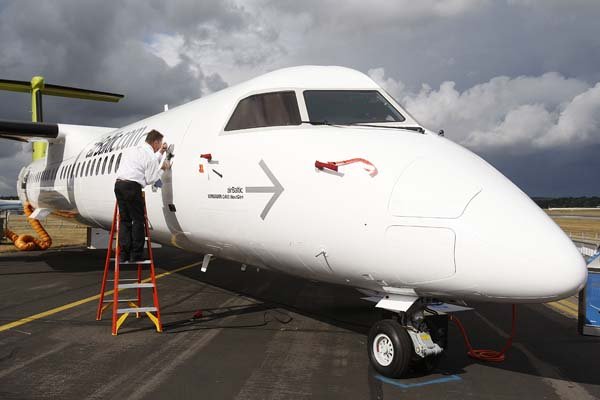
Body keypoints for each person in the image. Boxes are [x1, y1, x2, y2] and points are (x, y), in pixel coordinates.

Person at [114, 130, 170, 262]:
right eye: (160, 144)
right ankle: (136, 254)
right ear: (155, 142)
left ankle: (123, 255)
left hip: (119, 185)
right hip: (132, 188)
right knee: (138, 221)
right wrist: (163, 168)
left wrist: (161, 152)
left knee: (125, 220)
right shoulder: (149, 156)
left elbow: (148, 161)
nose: (160, 146)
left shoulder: (135, 150)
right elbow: (151, 179)